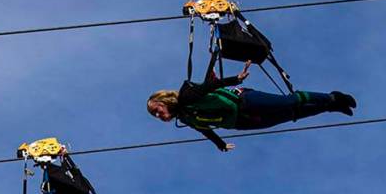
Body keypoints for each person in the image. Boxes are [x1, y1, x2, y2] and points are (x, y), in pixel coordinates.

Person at [146, 61, 358, 151]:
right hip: (241, 121)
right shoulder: (185, 118)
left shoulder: (186, 96)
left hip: (244, 101)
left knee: (288, 101)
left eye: (157, 110)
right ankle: (330, 107)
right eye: (156, 115)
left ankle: (331, 97)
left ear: (164, 100)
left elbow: (210, 86)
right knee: (290, 114)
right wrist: (220, 144)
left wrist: (235, 79)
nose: (159, 115)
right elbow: (205, 130)